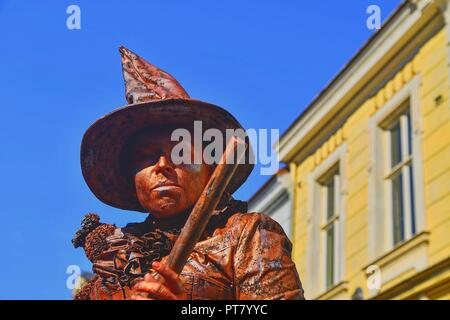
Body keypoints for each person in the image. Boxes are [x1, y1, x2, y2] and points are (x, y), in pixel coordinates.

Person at [73, 46, 304, 300]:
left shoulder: (247, 235)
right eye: (145, 157)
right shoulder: (114, 261)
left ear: (210, 167)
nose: (162, 165)